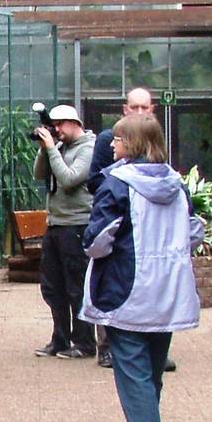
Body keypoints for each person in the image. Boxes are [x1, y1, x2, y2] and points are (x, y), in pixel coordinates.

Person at [80, 113, 204, 422]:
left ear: (130, 143)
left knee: (133, 379)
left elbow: (95, 241)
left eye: (117, 139)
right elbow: (194, 232)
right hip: (168, 294)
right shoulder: (176, 184)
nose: (112, 145)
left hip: (127, 293)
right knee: (149, 378)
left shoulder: (117, 184)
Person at [86, 85, 164, 369]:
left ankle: (153, 348)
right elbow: (92, 180)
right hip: (120, 228)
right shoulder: (110, 144)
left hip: (152, 239)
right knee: (115, 286)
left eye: (145, 107)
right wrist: (118, 186)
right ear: (125, 109)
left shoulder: (162, 163)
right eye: (135, 107)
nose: (141, 112)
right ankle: (107, 346)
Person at [32, 104, 96, 359]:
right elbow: (39, 174)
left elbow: (69, 179)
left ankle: (84, 343)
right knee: (52, 286)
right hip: (55, 225)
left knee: (76, 287)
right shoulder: (59, 148)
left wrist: (51, 149)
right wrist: (44, 149)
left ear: (74, 123)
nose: (55, 130)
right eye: (52, 126)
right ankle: (59, 339)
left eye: (59, 125)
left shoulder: (88, 149)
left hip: (77, 225)